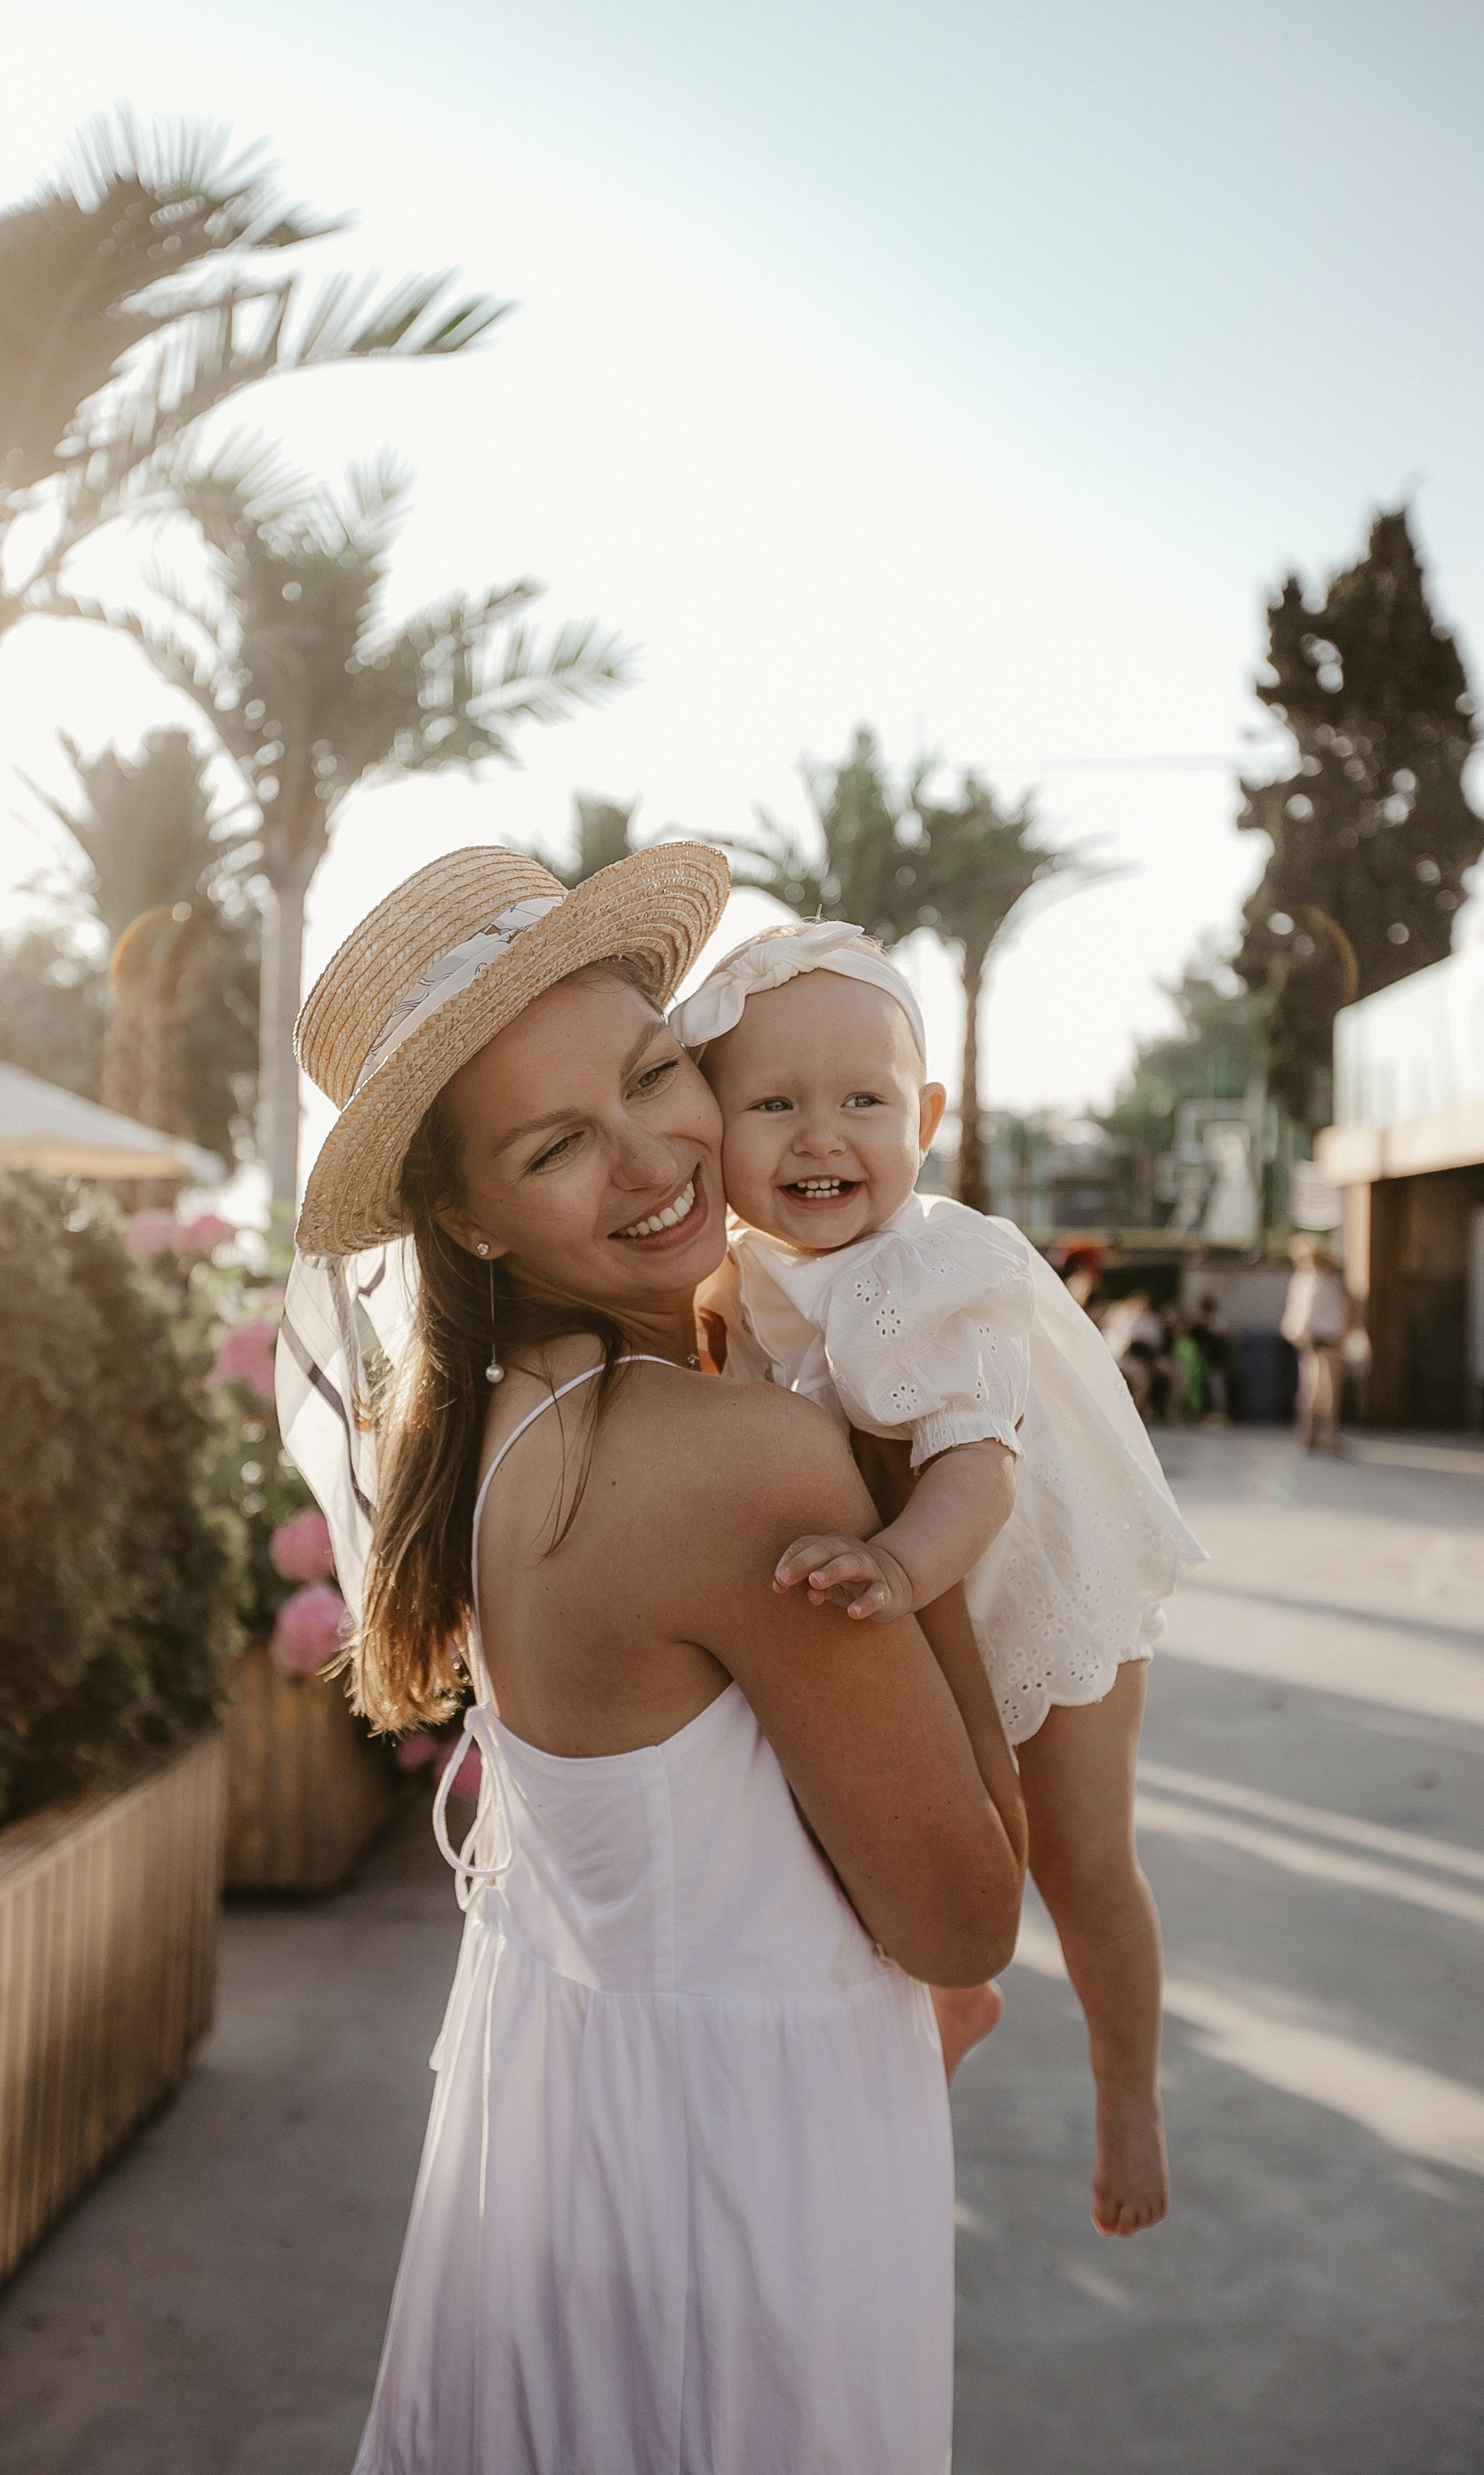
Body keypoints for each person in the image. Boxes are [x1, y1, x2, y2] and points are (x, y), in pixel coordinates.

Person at [287, 848, 1027, 2475]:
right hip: (744, 2200)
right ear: (465, 1217)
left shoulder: (494, 1430)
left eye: (651, 1075)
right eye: (557, 1145)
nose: (653, 1159)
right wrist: (922, 1468)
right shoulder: (733, 1461)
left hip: (562, 2158)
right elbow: (967, 1915)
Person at [671, 920, 1204, 2239]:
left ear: (926, 1117)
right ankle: (960, 1994)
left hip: (1036, 1579)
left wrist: (897, 1564)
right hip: (905, 1601)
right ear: (709, 1131)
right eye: (774, 1105)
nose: (822, 1137)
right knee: (914, 1838)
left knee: (1082, 1855)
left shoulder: (936, 1267)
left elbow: (979, 1471)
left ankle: (1127, 2092)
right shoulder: (735, 1276)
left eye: (864, 1102)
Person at [1281, 1237, 1356, 1453]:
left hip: (1313, 1341)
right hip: (1327, 1341)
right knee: (1326, 1392)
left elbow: (1296, 1317)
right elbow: (1346, 1311)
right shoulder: (1324, 1282)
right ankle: (1327, 1437)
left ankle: (1310, 1436)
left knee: (1311, 1391)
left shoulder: (1303, 1280)